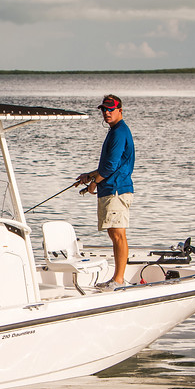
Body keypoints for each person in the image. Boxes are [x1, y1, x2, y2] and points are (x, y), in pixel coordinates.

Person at [75, 94, 135, 289]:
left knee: (118, 234)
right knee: (114, 233)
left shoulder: (119, 132)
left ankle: (118, 280)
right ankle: (118, 278)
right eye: (104, 109)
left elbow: (109, 167)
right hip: (110, 188)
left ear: (120, 110)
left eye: (111, 109)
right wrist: (90, 175)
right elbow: (109, 166)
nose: (107, 112)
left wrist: (94, 183)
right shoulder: (114, 131)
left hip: (116, 189)